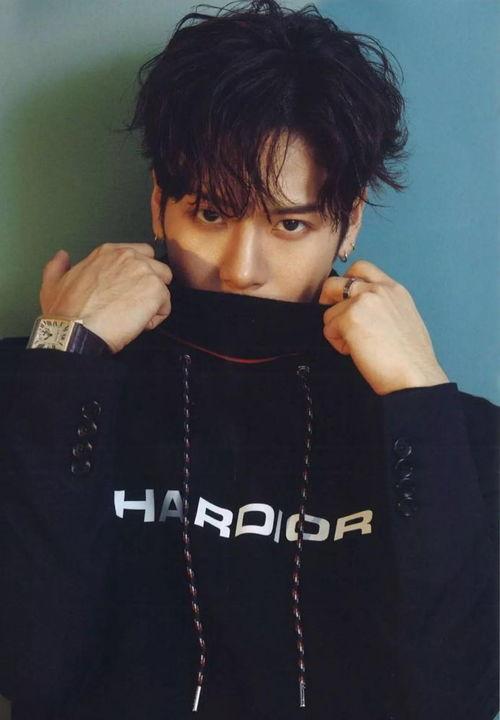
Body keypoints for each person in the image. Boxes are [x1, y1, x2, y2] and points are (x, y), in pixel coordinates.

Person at [0, 1, 498, 719]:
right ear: (159, 205)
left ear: (349, 223)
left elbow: (457, 698)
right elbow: (31, 669)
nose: (241, 270)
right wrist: (63, 360)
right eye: (211, 214)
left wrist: (419, 399)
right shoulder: (45, 384)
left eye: (290, 224)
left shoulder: (458, 436)